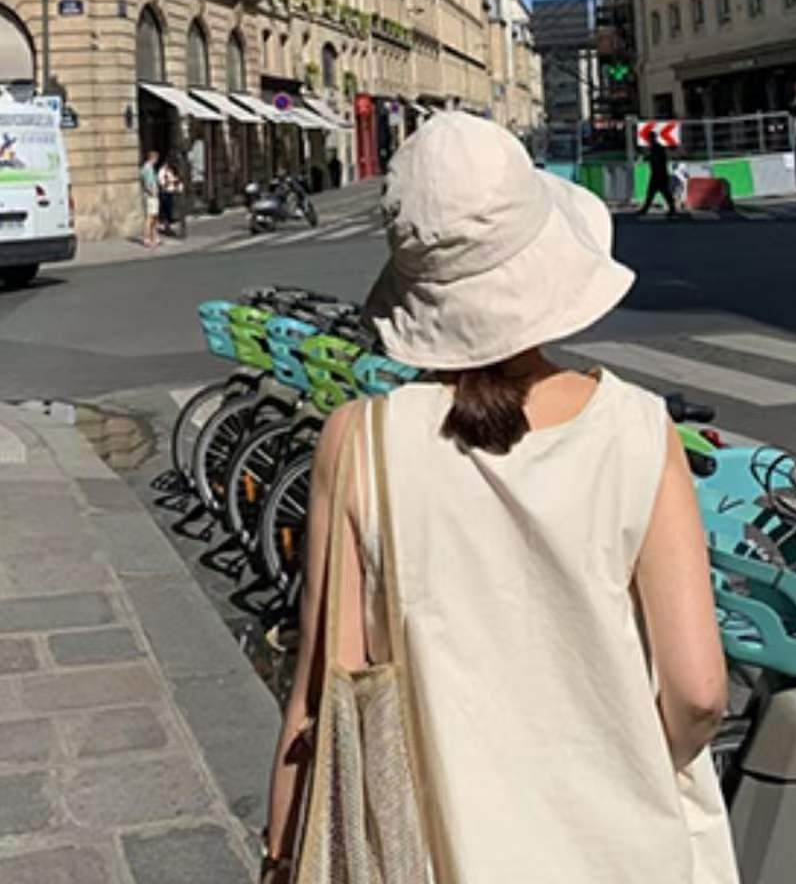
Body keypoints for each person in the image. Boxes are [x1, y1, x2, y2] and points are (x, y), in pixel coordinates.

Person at [263, 113, 737, 884]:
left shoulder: (360, 443)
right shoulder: (637, 429)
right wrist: (626, 758)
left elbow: (320, 694)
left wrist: (279, 853)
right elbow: (699, 692)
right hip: (625, 851)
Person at [639, 131, 677, 215]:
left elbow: (656, 159)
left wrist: (647, 158)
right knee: (658, 192)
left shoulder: (656, 148)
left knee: (660, 192)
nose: (649, 141)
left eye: (649, 139)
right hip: (659, 173)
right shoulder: (656, 147)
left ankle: (672, 209)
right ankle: (672, 209)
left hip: (659, 174)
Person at [157, 157, 183, 237]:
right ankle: (167, 228)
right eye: (167, 164)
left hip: (171, 192)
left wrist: (176, 182)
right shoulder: (162, 171)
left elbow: (176, 180)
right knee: (166, 211)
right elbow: (162, 183)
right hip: (165, 193)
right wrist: (171, 181)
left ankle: (168, 227)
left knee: (170, 211)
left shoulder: (170, 171)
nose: (168, 166)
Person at [139, 151, 160, 249]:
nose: (157, 161)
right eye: (156, 159)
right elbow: (147, 184)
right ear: (153, 158)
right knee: (150, 218)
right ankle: (147, 239)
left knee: (154, 217)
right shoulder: (148, 168)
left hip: (152, 195)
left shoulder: (149, 168)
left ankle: (155, 237)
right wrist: (152, 193)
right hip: (150, 196)